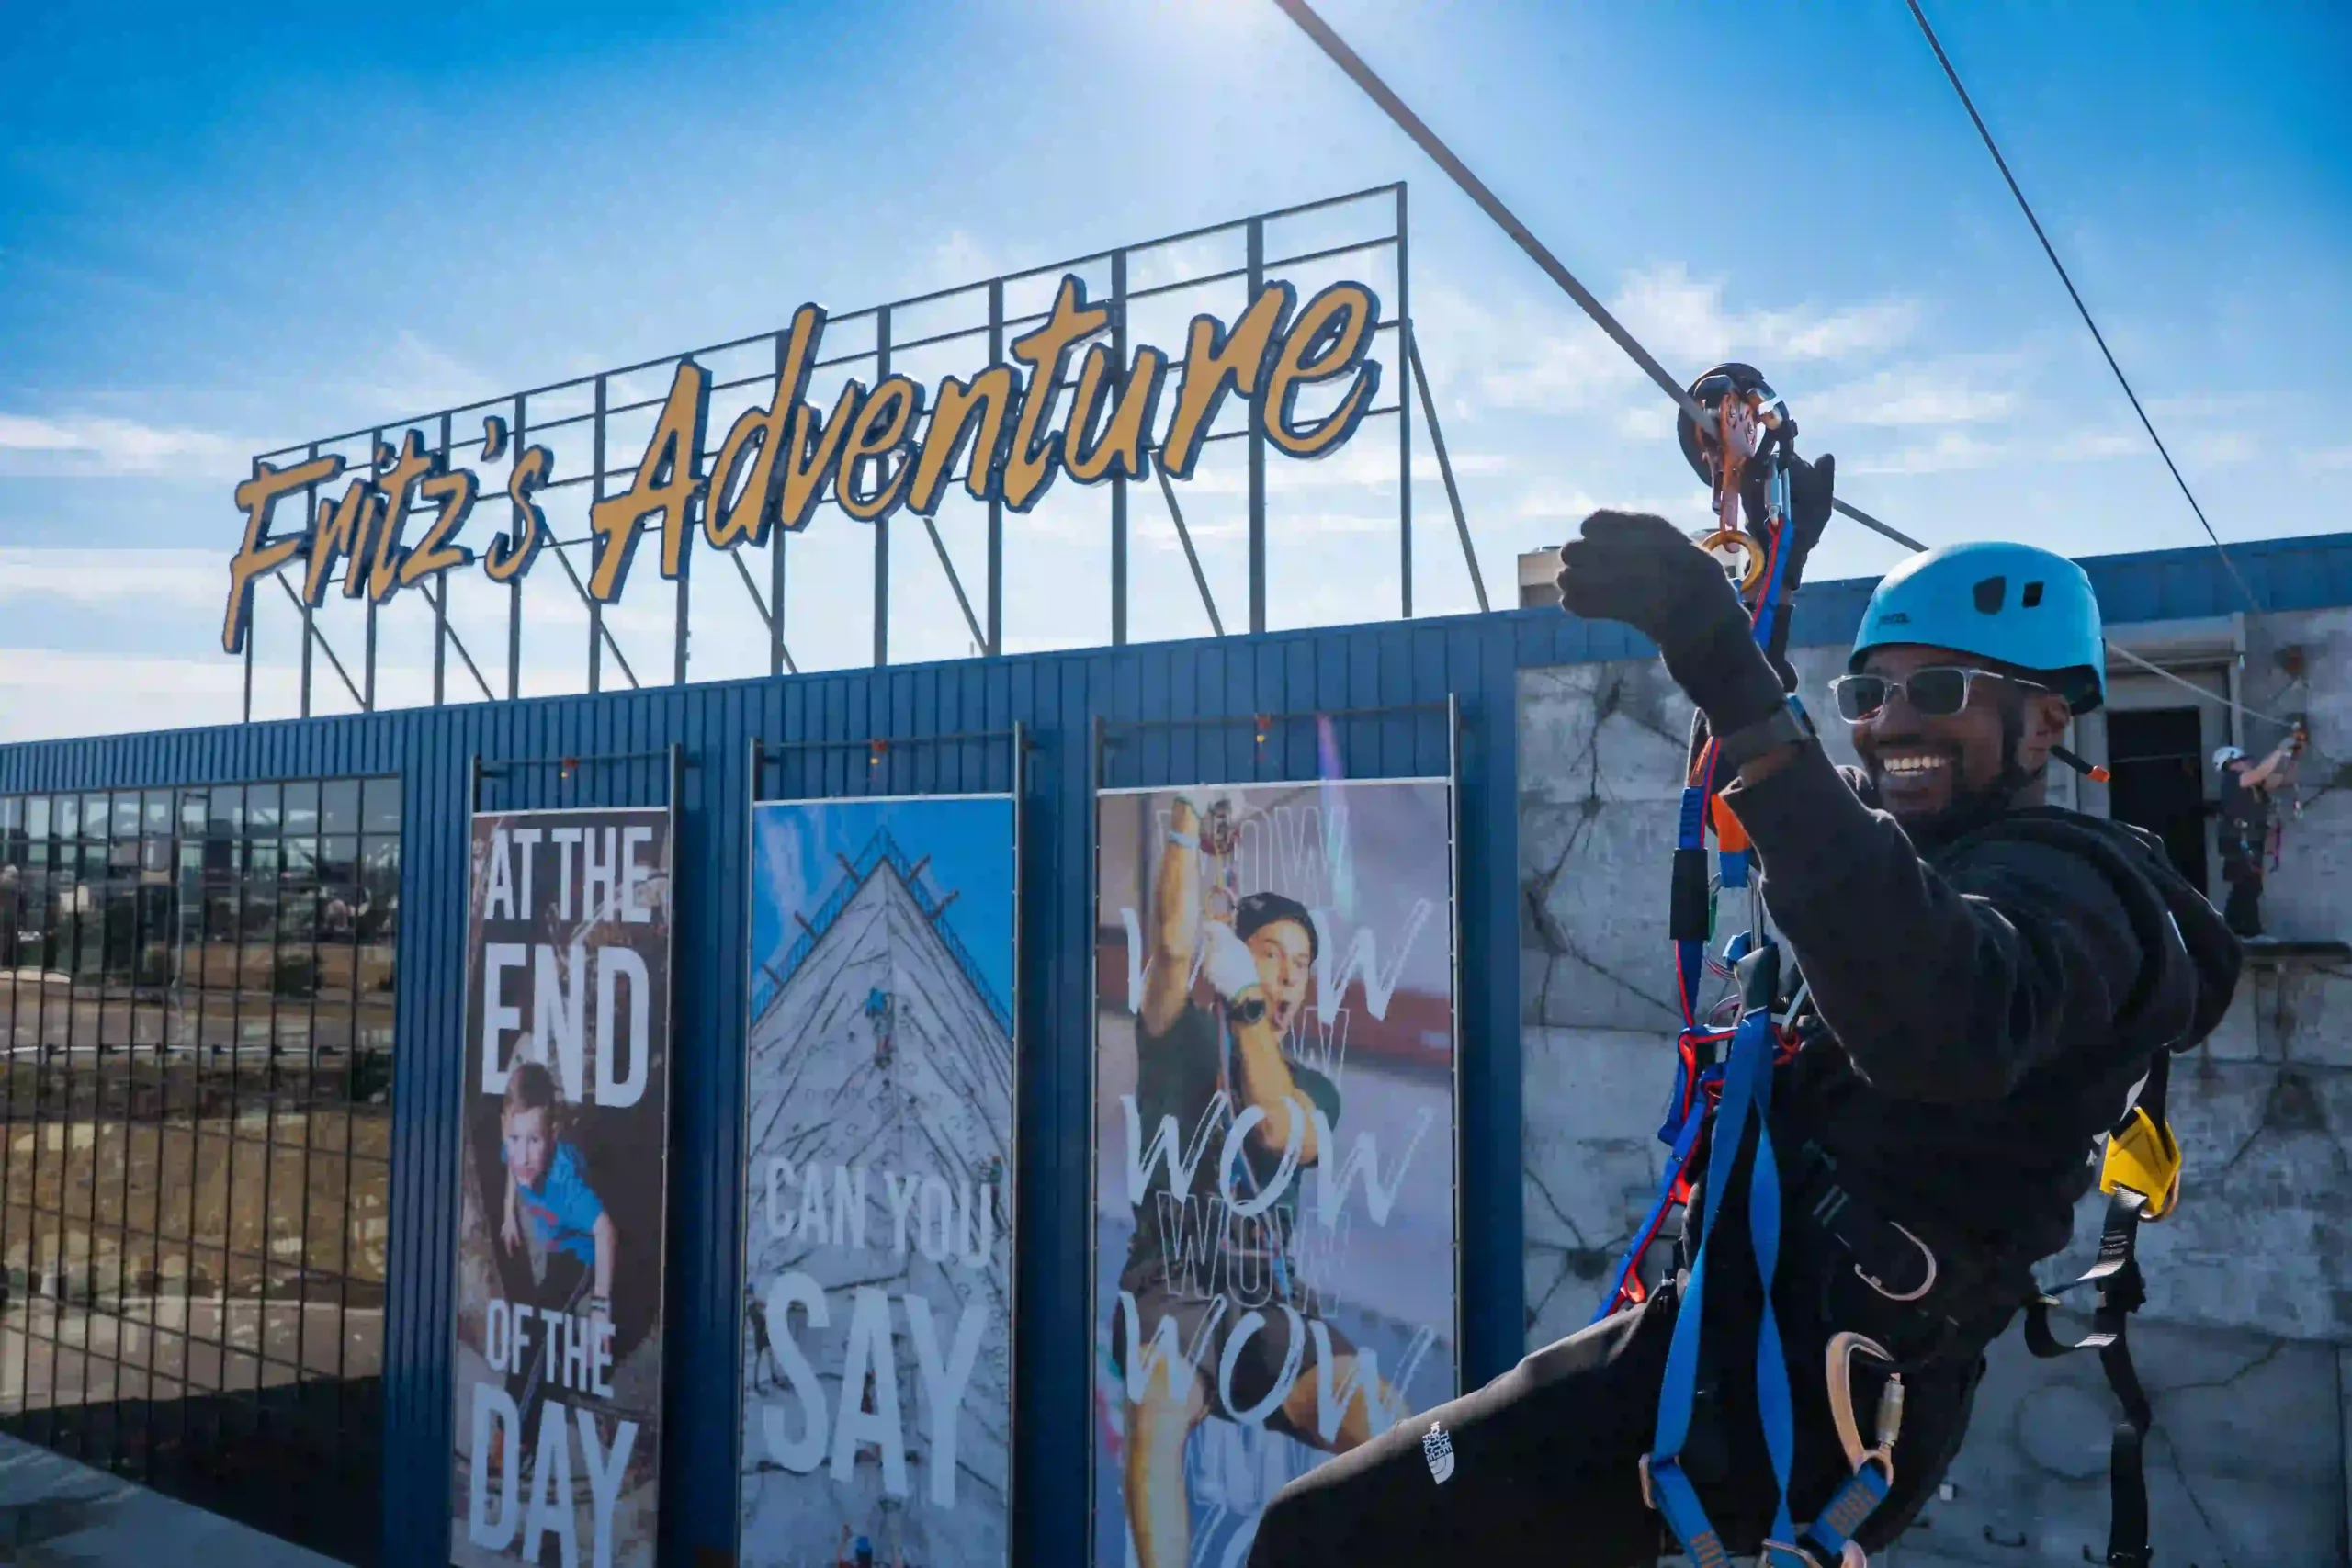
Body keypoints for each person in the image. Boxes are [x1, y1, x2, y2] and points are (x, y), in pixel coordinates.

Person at [1249, 482, 2240, 1565]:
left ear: (2047, 720)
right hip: (1733, 1350)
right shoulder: (1926, 868)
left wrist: (1735, 683)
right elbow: (1841, 836)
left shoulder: (2077, 892)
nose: (1891, 719)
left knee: (1320, 1539)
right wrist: (1768, 591)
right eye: (1869, 691)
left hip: (1803, 1398)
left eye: (1941, 689)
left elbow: (1943, 1021)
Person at [1116, 795, 1397, 1568]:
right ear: (1235, 953)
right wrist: (1184, 821)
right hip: (1171, 1284)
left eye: (1299, 962)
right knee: (1160, 1404)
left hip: (1269, 1302)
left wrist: (1244, 1001)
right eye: (1269, 952)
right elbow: (1172, 946)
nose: (1287, 973)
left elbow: (1278, 1128)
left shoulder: (1315, 1090)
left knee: (1412, 1432)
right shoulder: (1176, 1041)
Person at [501, 1060, 617, 1337]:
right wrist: (509, 1214)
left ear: (552, 1135)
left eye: (535, 1141)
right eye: (515, 1138)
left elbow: (605, 1231)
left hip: (580, 1251)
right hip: (555, 1239)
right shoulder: (515, 1149)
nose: (523, 1157)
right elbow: (511, 1166)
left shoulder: (566, 1184)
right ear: (505, 1128)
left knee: (543, 1319)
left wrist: (601, 1306)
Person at [2211, 736, 2299, 938]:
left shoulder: (2252, 784)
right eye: (2245, 759)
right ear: (2232, 763)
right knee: (2246, 885)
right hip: (2238, 842)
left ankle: (2242, 930)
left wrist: (2292, 757)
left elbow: (2283, 779)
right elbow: (2262, 771)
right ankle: (2242, 931)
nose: (2249, 762)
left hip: (2250, 841)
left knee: (2250, 885)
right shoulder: (2234, 780)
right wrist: (2279, 750)